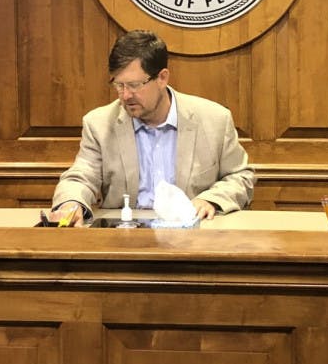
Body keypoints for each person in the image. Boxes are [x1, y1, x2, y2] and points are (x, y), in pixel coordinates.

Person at [50, 30, 255, 225]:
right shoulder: (99, 124)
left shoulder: (214, 120)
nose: (126, 95)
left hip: (193, 235)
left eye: (134, 85)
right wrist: (71, 203)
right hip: (124, 237)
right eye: (119, 85)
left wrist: (211, 200)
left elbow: (240, 177)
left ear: (162, 78)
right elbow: (81, 177)